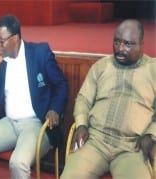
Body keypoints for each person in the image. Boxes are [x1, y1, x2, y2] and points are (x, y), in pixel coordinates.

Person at [0, 14, 68, 179]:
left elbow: (61, 84)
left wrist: (55, 109)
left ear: (15, 38)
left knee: (18, 163)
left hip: (36, 124)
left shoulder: (39, 53)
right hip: (8, 123)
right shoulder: (0, 61)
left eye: (1, 41)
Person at [61, 19, 156, 179]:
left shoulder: (152, 69)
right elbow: (83, 99)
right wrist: (82, 124)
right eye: (117, 41)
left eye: (128, 44)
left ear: (141, 44)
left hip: (133, 147)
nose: (120, 49)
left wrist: (151, 134)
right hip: (96, 141)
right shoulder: (101, 66)